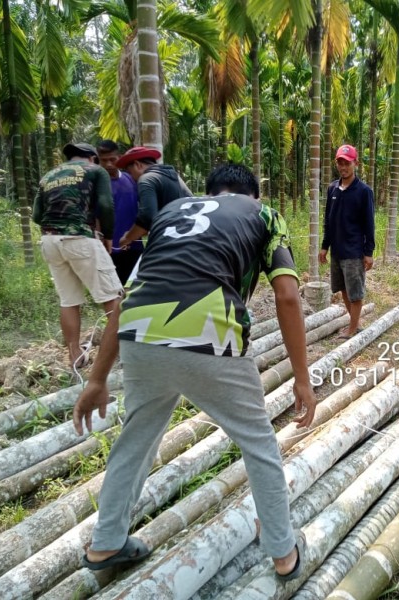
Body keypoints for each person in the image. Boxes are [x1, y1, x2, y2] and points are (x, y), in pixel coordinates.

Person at [72, 163, 316, 580]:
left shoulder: (171, 214)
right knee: (259, 443)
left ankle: (105, 543)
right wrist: (302, 377)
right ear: (251, 194)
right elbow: (288, 296)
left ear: (209, 191)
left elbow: (129, 292)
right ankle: (283, 553)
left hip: (140, 333)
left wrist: (96, 379)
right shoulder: (264, 214)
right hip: (210, 332)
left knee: (136, 440)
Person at [32, 142, 123, 370]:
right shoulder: (95, 171)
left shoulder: (48, 176)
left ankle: (74, 356)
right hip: (80, 238)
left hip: (50, 241)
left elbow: (36, 215)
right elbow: (105, 204)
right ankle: (121, 355)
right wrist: (108, 236)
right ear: (92, 157)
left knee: (69, 300)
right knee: (113, 296)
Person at [318, 144, 375, 339]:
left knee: (355, 293)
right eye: (340, 163)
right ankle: (355, 324)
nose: (343, 167)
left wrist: (369, 252)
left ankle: (352, 329)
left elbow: (369, 224)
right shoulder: (332, 188)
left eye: (347, 163)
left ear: (355, 163)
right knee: (342, 288)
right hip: (337, 250)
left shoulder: (364, 191)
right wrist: (325, 246)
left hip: (354, 251)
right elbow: (328, 220)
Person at [115, 146, 191, 249]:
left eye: (129, 172)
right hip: (189, 239)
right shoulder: (174, 176)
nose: (131, 178)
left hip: (170, 244)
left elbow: (147, 218)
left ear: (137, 165)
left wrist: (127, 238)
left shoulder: (146, 179)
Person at [96, 140, 143, 284]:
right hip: (108, 247)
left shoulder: (131, 179)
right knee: (114, 289)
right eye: (104, 161)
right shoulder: (95, 184)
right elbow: (95, 214)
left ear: (119, 157)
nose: (109, 164)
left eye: (112, 159)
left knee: (134, 286)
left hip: (133, 244)